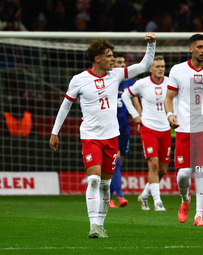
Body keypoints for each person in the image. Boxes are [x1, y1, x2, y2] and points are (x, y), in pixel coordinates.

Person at [49, 33, 156, 238]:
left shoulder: (116, 75)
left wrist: (152, 45)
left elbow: (144, 66)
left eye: (112, 55)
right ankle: (93, 226)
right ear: (97, 58)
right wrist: (55, 132)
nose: (113, 58)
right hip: (90, 137)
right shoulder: (79, 80)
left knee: (106, 186)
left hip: (111, 137)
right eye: (109, 55)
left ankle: (100, 223)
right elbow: (65, 106)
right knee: (94, 181)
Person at [164, 34, 203, 226]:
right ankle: (185, 199)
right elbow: (169, 97)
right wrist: (170, 115)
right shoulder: (178, 70)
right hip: (184, 129)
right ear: (191, 49)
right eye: (199, 47)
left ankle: (199, 215)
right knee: (183, 174)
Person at [122, 56, 171, 211]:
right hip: (148, 127)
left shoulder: (171, 83)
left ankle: (144, 194)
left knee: (162, 170)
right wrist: (136, 115)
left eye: (162, 66)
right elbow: (125, 95)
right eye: (157, 66)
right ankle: (157, 202)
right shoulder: (142, 84)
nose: (160, 69)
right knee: (154, 164)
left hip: (166, 128)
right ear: (150, 69)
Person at [108, 54, 139, 208]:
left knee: (119, 163)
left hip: (125, 127)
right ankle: (120, 196)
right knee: (117, 162)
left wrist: (140, 119)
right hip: (111, 127)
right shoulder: (109, 81)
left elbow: (135, 102)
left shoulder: (130, 83)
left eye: (123, 63)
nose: (121, 65)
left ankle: (109, 198)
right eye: (118, 62)